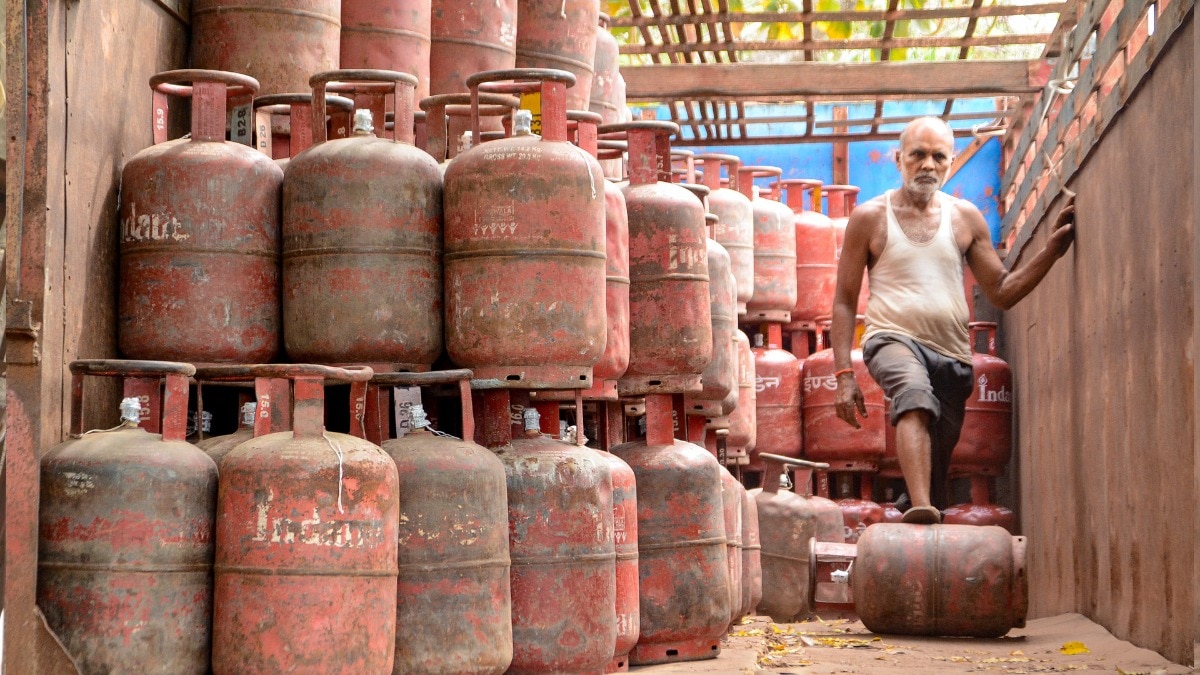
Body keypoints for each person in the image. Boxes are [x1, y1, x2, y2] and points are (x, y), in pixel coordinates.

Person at [831, 116, 1075, 524]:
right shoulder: (870, 217)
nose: (928, 165)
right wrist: (843, 374)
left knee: (938, 458)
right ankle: (922, 508)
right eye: (918, 155)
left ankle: (919, 507)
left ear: (949, 162)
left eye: (938, 157)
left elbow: (1002, 290)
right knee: (913, 396)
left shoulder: (965, 218)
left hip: (952, 354)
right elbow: (843, 300)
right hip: (890, 339)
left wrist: (1051, 251)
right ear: (898, 159)